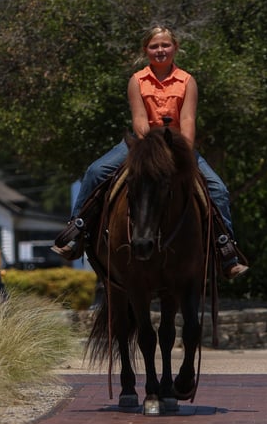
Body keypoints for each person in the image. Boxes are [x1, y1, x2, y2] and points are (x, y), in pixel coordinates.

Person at [52, 25, 248, 279]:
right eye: (154, 46)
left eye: (165, 45)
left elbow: (187, 121)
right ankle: (77, 231)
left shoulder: (188, 81)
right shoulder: (137, 81)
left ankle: (225, 249)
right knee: (96, 170)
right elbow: (140, 121)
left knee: (218, 189)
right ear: (146, 50)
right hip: (142, 144)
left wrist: (179, 151)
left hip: (179, 146)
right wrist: (153, 151)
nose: (160, 50)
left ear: (175, 48)